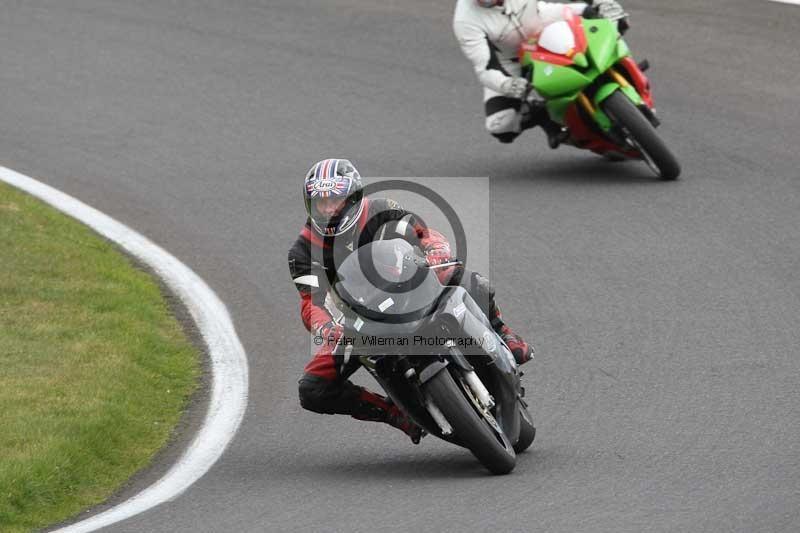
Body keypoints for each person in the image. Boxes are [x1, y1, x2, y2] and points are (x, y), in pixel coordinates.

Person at [288, 158, 534, 443]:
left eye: (336, 200)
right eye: (321, 202)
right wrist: (325, 328)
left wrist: (436, 251)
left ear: (353, 197)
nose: (329, 208)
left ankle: (503, 332)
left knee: (465, 279)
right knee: (313, 389)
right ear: (309, 204)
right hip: (357, 322)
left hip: (406, 286)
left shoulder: (381, 209)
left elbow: (422, 234)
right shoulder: (303, 250)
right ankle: (394, 413)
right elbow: (311, 302)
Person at [453, 0, 627, 145]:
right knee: (500, 125)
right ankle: (546, 118)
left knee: (607, 19)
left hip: (544, 22)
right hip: (511, 62)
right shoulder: (465, 21)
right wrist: (506, 84)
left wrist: (601, 1)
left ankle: (625, 71)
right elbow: (485, 67)